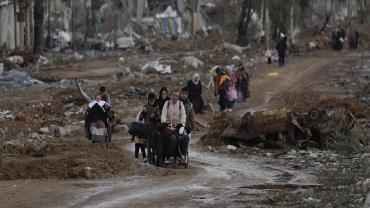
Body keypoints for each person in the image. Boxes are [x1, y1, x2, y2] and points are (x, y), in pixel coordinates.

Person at [161, 90, 188, 163]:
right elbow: (163, 115)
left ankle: (182, 156)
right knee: (173, 138)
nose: (175, 97)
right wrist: (166, 124)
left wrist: (182, 124)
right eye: (174, 95)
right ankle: (171, 156)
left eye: (177, 96)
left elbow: (183, 115)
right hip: (168, 125)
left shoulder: (180, 104)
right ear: (170, 96)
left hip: (178, 125)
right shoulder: (167, 103)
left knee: (185, 137)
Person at [140, 92, 160, 164]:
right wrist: (144, 113)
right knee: (148, 145)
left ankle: (154, 156)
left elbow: (158, 118)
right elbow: (141, 117)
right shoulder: (145, 106)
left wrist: (154, 116)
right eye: (150, 101)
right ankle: (149, 158)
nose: (152, 102)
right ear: (148, 100)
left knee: (154, 144)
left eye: (153, 101)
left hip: (154, 129)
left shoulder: (156, 107)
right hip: (147, 129)